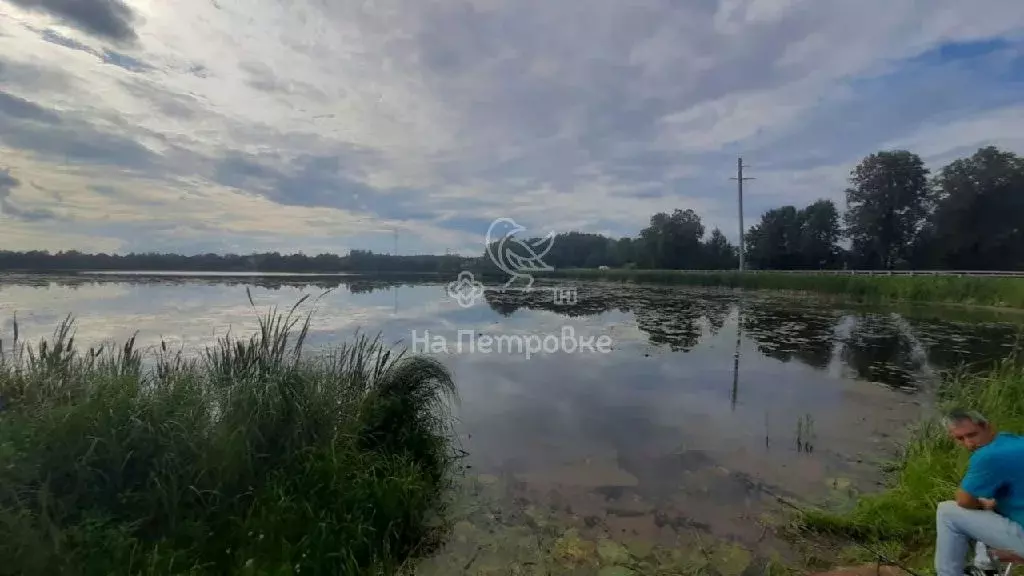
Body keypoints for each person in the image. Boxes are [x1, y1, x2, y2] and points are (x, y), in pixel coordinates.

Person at [936, 409, 1024, 576]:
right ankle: (985, 567)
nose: (969, 443)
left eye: (972, 435)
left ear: (988, 428)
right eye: (960, 438)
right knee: (989, 503)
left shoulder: (988, 456)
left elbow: (964, 500)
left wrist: (981, 504)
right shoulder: (1015, 442)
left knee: (947, 511)